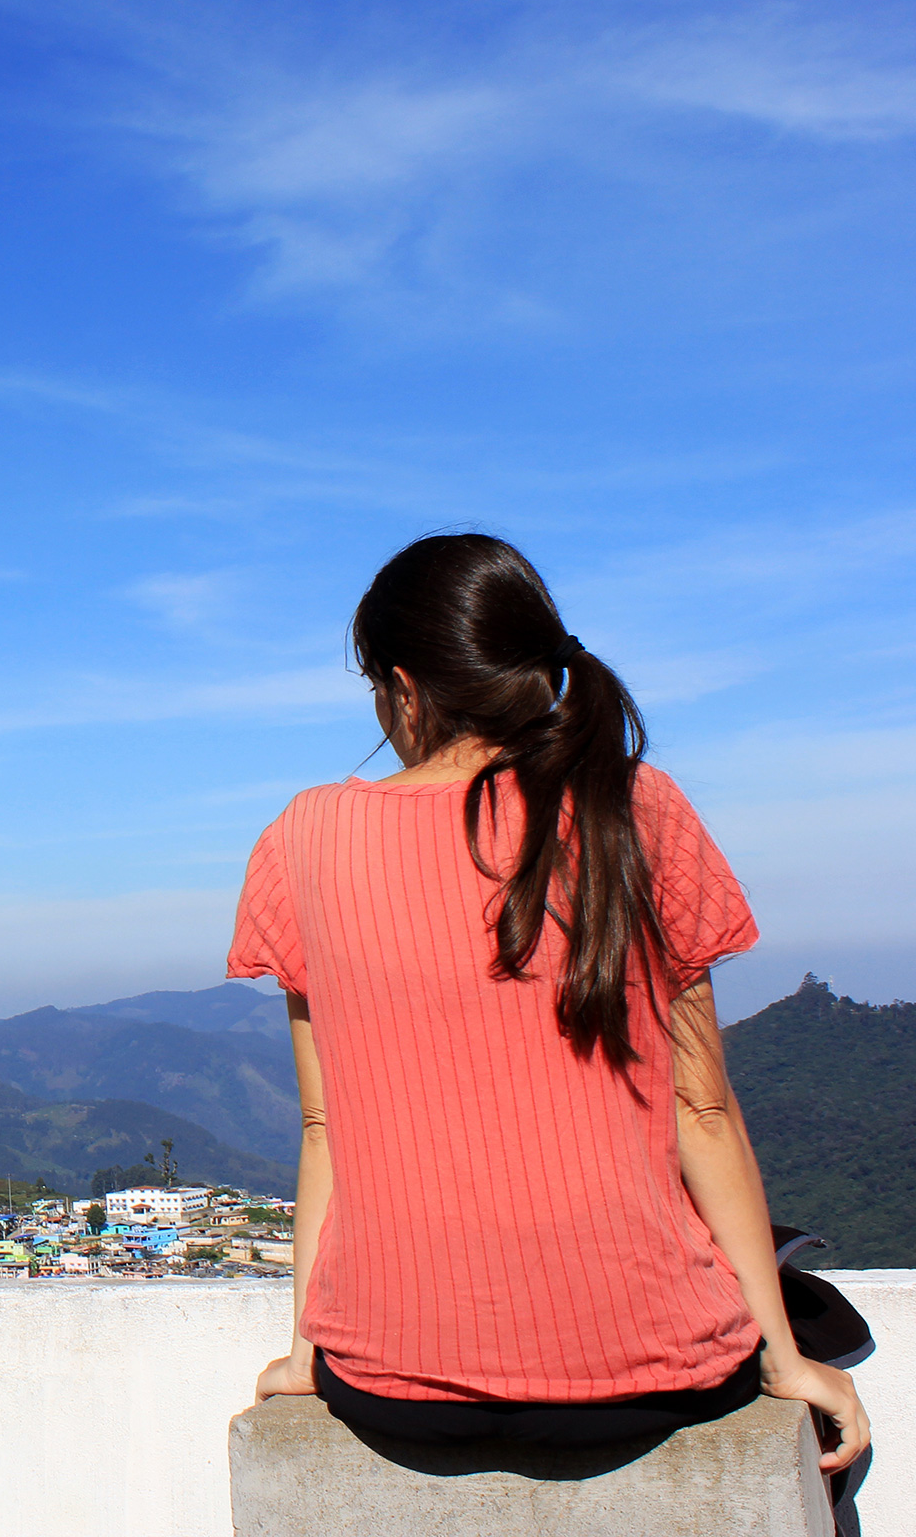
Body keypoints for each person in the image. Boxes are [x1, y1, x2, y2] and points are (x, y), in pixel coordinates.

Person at [232, 533, 868, 1471]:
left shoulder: (306, 838)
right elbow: (701, 1109)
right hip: (649, 1380)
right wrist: (784, 1355)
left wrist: (307, 1352)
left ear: (404, 689)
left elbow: (325, 1128)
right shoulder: (635, 808)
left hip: (394, 1393)